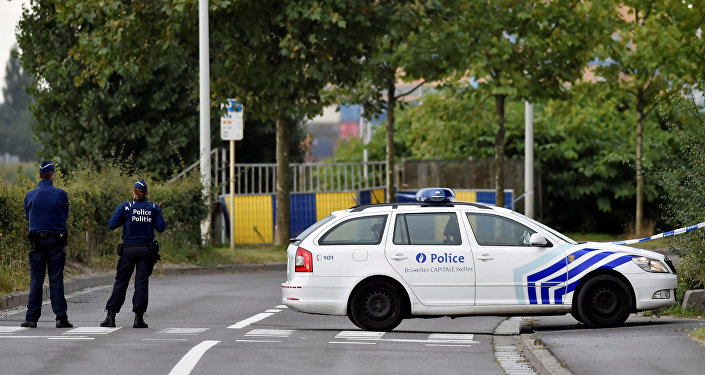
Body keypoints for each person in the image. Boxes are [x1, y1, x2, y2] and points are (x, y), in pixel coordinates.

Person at [100, 179, 166, 328]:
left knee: (121, 282)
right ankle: (139, 318)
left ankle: (111, 316)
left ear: (133, 192)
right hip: (146, 250)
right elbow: (161, 227)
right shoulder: (153, 207)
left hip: (128, 250)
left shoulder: (125, 207)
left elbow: (112, 224)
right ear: (146, 193)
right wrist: (155, 214)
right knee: (141, 283)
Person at [22, 161, 72, 328]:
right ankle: (60, 317)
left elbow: (28, 217)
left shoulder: (29, 195)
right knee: (55, 279)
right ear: (53, 176)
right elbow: (65, 215)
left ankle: (31, 318)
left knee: (36, 279)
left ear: (39, 176)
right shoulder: (61, 194)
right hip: (55, 241)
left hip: (36, 241)